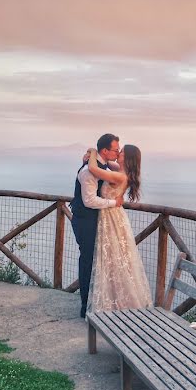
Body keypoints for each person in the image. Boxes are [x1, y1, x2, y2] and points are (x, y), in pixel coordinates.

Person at [85, 144, 153, 314]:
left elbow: (94, 168)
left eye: (121, 152)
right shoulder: (122, 171)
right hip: (113, 215)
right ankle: (117, 300)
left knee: (115, 258)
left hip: (112, 217)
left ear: (127, 157)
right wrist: (91, 155)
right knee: (115, 259)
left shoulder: (120, 176)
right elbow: (106, 163)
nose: (118, 153)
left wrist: (93, 151)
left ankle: (120, 303)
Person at [71, 133, 124, 318]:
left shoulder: (106, 165)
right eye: (116, 149)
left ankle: (97, 302)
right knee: (88, 261)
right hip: (85, 220)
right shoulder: (88, 171)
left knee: (97, 262)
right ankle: (85, 307)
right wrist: (113, 203)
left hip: (98, 220)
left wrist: (91, 151)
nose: (118, 152)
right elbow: (89, 201)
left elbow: (118, 168)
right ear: (105, 151)